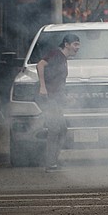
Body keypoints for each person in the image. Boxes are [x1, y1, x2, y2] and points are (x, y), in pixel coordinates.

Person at [37, 33, 81, 172]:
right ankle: (50, 164)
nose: (77, 47)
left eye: (78, 44)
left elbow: (58, 82)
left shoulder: (63, 59)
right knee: (55, 129)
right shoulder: (56, 54)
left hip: (57, 99)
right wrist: (42, 86)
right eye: (75, 44)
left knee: (62, 129)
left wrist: (66, 97)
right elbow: (40, 65)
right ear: (66, 44)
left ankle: (53, 161)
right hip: (50, 99)